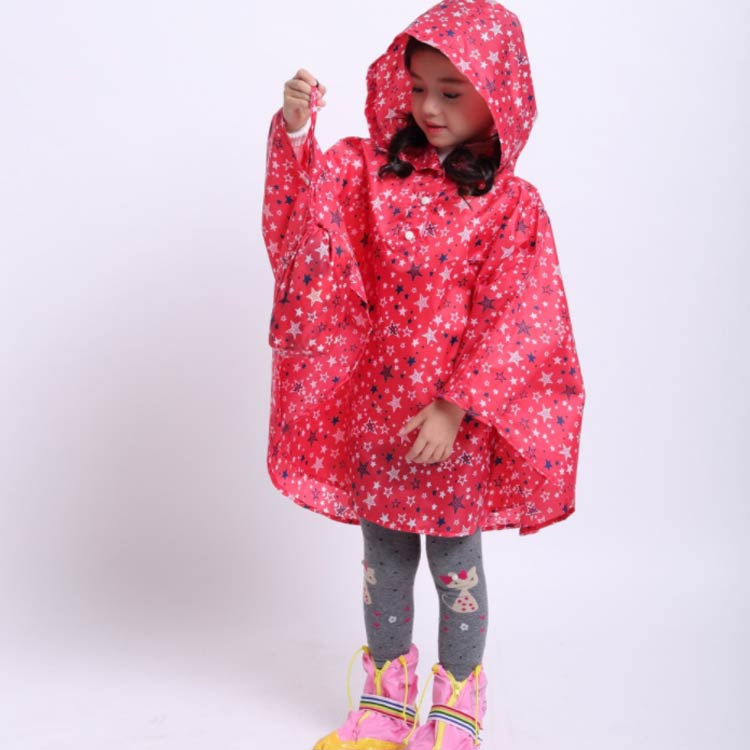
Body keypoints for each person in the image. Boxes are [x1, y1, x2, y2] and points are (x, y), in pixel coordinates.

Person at [261, 1, 586, 748]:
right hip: (379, 413)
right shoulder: (374, 176)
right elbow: (308, 225)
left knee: (454, 565)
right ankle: (386, 697)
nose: (429, 108)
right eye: (417, 89)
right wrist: (298, 133)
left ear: (498, 95)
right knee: (382, 565)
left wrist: (455, 405)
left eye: (451, 91)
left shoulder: (510, 206)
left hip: (451, 427)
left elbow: (516, 317)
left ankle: (459, 701)